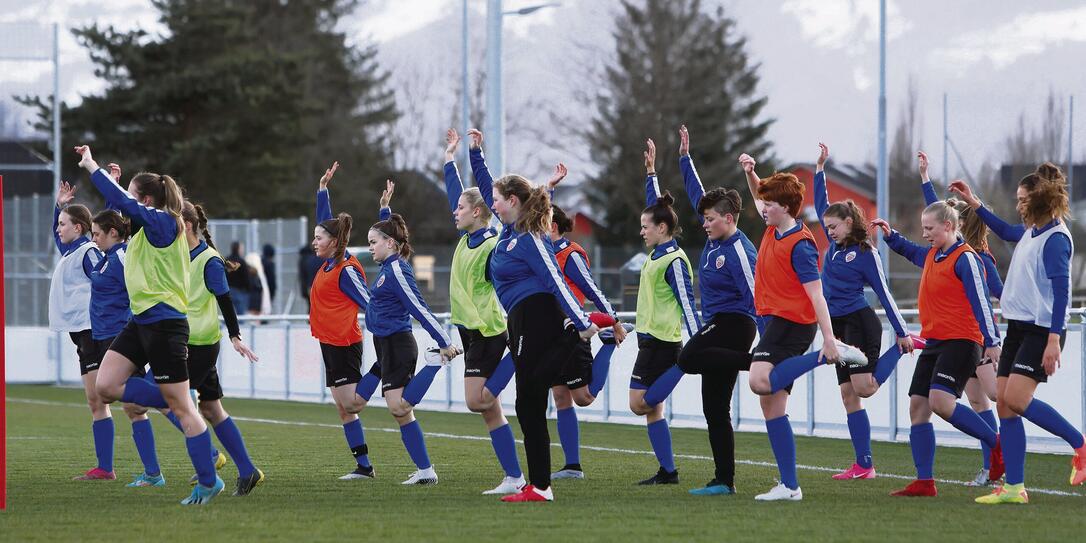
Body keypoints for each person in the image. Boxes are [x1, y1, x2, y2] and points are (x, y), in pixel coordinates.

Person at [74, 144, 224, 505]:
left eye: (133, 197)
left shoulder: (164, 222)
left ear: (146, 201)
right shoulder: (143, 228)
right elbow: (120, 214)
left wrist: (92, 167)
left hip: (165, 325)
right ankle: (172, 394)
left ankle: (208, 481)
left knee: (183, 409)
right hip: (140, 322)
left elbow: (126, 206)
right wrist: (113, 182)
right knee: (107, 386)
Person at [471, 132, 601, 502]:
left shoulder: (529, 238)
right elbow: (491, 186)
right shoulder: (509, 233)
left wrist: (582, 321)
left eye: (496, 201)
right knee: (529, 400)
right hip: (521, 321)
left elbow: (556, 280)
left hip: (539, 316)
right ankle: (540, 486)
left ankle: (540, 487)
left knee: (529, 398)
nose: (491, 206)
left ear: (512, 202)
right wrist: (476, 153)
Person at [948, 167, 1086, 503]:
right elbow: (1008, 231)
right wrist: (973, 202)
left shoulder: (1055, 239)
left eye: (1024, 200)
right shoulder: (1032, 229)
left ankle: (1080, 445)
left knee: (1018, 401)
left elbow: (1063, 294)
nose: (1019, 204)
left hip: (1041, 332)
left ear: (1040, 201)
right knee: (1005, 406)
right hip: (1019, 329)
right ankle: (1014, 489)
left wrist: (1054, 340)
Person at [738, 151, 867, 502]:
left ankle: (828, 356)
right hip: (773, 322)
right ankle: (790, 486)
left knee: (758, 380)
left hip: (793, 324)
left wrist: (827, 338)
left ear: (786, 208)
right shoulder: (773, 226)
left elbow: (817, 295)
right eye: (763, 202)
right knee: (772, 406)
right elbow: (758, 194)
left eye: (769, 204)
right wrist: (752, 174)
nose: (762, 207)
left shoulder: (801, 244)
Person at [872, 201, 1005, 498]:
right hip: (935, 342)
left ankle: (997, 445)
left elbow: (983, 303)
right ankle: (924, 481)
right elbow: (910, 250)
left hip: (962, 341)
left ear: (948, 226)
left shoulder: (966, 258)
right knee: (918, 407)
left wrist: (992, 341)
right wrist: (891, 235)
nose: (924, 234)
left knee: (941, 402)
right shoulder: (934, 253)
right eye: (923, 228)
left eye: (929, 228)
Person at [812, 143, 916, 481]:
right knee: (847, 394)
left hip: (860, 322)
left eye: (834, 227)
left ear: (848, 221)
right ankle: (864, 465)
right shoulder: (836, 250)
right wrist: (819, 170)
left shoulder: (865, 252)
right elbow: (820, 204)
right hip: (837, 327)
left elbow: (884, 294)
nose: (829, 232)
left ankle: (903, 347)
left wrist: (900, 331)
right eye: (826, 228)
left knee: (865, 388)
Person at [667, 125, 761, 496]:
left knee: (688, 357)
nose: (704, 223)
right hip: (719, 326)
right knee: (715, 409)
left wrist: (767, 347)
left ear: (730, 219)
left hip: (735, 325)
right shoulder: (714, 234)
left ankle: (753, 361)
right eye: (703, 219)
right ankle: (724, 481)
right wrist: (684, 159)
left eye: (710, 219)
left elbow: (755, 297)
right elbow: (697, 196)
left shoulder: (738, 249)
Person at [441, 128, 525, 494]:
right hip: (468, 330)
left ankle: (520, 358)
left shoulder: (492, 243)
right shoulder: (467, 237)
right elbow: (453, 195)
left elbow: (504, 283)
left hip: (490, 331)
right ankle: (514, 477)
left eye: (460, 208)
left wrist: (476, 156)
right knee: (490, 408)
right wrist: (449, 159)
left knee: (478, 400)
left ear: (478, 212)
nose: (454, 212)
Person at [918, 151, 1004, 486]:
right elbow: (935, 211)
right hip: (955, 336)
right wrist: (925, 177)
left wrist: (992, 338)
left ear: (957, 225)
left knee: (999, 396)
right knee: (978, 399)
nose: (928, 233)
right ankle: (991, 465)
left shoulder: (975, 258)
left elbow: (995, 296)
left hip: (974, 337)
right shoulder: (945, 250)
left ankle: (1004, 450)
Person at [370, 179, 463, 485]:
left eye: (374, 242)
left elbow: (419, 308)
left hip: (398, 343)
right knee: (400, 412)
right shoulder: (388, 267)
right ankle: (426, 471)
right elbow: (391, 231)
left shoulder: (396, 269)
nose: (370, 247)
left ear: (391, 244)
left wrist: (444, 341)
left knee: (399, 405)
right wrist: (385, 209)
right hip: (385, 344)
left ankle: (435, 362)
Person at [544, 164, 629, 481]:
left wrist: (614, 321)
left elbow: (593, 290)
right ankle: (572, 466)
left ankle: (607, 345)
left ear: (553, 227)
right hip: (549, 332)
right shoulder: (541, 252)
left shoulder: (570, 254)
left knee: (583, 397)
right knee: (560, 396)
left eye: (542, 223)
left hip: (572, 329)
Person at [627, 138, 702, 486]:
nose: (642, 230)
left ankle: (683, 366)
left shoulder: (673, 260)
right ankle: (668, 472)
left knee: (638, 403)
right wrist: (651, 172)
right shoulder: (659, 251)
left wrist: (699, 340)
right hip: (649, 340)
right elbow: (653, 206)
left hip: (662, 342)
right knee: (652, 410)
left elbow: (688, 303)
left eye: (646, 227)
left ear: (662, 229)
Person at [309, 161, 381, 481]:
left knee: (352, 404)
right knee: (342, 409)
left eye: (319, 238)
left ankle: (382, 367)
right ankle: (364, 468)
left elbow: (370, 304)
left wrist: (392, 337)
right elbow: (326, 225)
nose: (314, 241)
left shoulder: (346, 269)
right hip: (330, 343)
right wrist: (323, 190)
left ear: (334, 243)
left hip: (345, 343)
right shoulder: (329, 263)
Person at [50, 180, 111, 480]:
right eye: (59, 223)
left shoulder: (88, 252)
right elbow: (57, 237)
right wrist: (59, 205)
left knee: (126, 399)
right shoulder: (72, 250)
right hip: (82, 335)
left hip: (92, 332)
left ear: (80, 228)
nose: (59, 228)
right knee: (95, 400)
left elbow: (108, 277)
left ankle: (204, 445)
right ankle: (105, 468)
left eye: (64, 224)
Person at [226, 241, 251, 315]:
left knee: (228, 314)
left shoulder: (226, 260)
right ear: (238, 249)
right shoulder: (241, 262)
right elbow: (246, 277)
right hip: (239, 291)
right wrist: (248, 288)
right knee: (241, 315)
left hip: (227, 290)